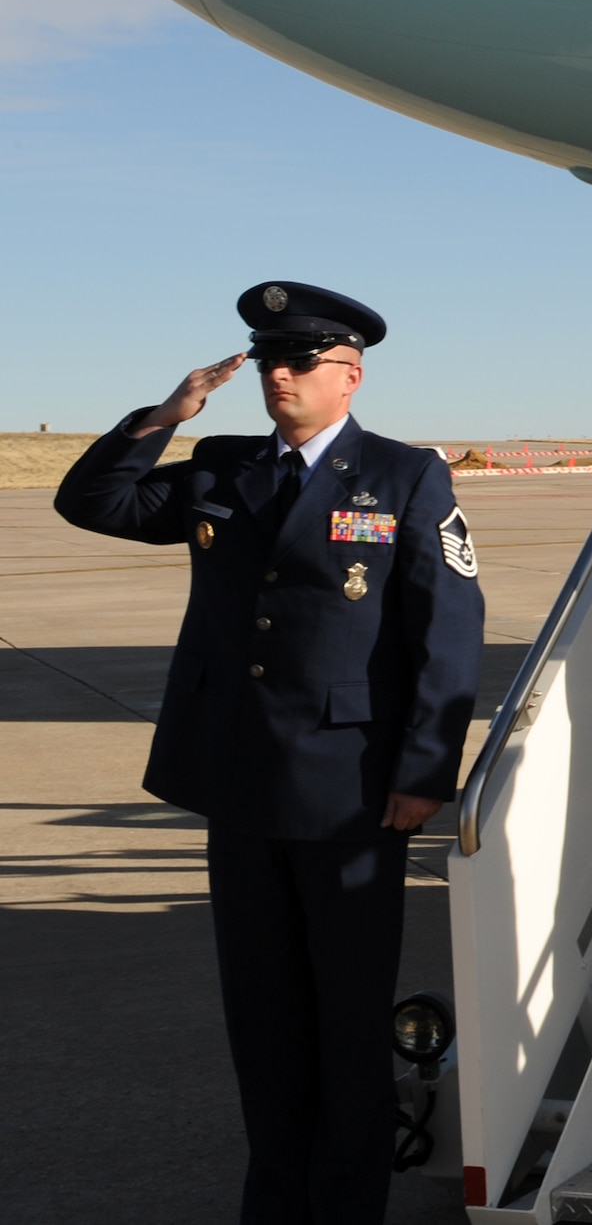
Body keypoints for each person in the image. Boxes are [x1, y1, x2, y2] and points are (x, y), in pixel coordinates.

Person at [54, 283, 485, 1225]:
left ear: (350, 373)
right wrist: (167, 415)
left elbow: (447, 634)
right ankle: (275, 1199)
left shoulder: (406, 476)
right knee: (263, 1017)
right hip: (241, 781)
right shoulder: (221, 466)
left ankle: (343, 1205)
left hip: (351, 793)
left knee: (344, 1014)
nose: (281, 375)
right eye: (269, 361)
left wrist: (424, 772)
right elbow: (92, 501)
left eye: (302, 361)